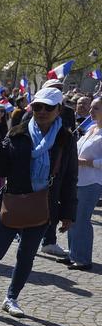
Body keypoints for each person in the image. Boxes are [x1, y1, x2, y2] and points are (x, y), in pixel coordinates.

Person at [0, 87, 77, 317]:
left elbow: (70, 176)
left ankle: (11, 298)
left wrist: (68, 212)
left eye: (48, 107)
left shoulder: (65, 138)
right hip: (13, 201)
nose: (42, 111)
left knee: (26, 256)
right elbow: (1, 169)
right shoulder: (17, 133)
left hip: (42, 206)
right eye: (37, 107)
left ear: (59, 110)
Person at [63, 96, 102, 271]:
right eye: (92, 108)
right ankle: (73, 253)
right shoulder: (91, 128)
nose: (91, 111)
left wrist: (87, 163)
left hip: (92, 181)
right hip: (77, 179)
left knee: (82, 220)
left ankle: (83, 258)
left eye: (96, 108)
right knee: (71, 217)